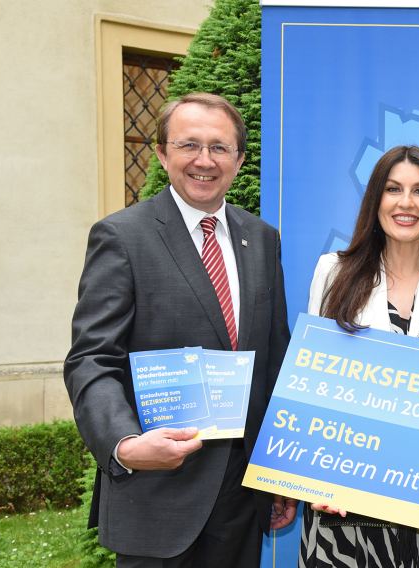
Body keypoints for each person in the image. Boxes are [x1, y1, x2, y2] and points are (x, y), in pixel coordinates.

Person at [64, 92, 296, 567]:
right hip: (157, 493)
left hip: (240, 495)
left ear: (238, 159)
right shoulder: (122, 236)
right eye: (189, 145)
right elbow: (92, 358)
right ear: (162, 153)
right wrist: (125, 444)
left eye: (219, 147)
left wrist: (279, 473)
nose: (204, 161)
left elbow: (274, 358)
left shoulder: (262, 239)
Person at [301, 145, 419, 568]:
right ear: (375, 200)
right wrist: (317, 481)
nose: (406, 203)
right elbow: (313, 384)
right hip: (346, 497)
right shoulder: (333, 271)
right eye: (393, 189)